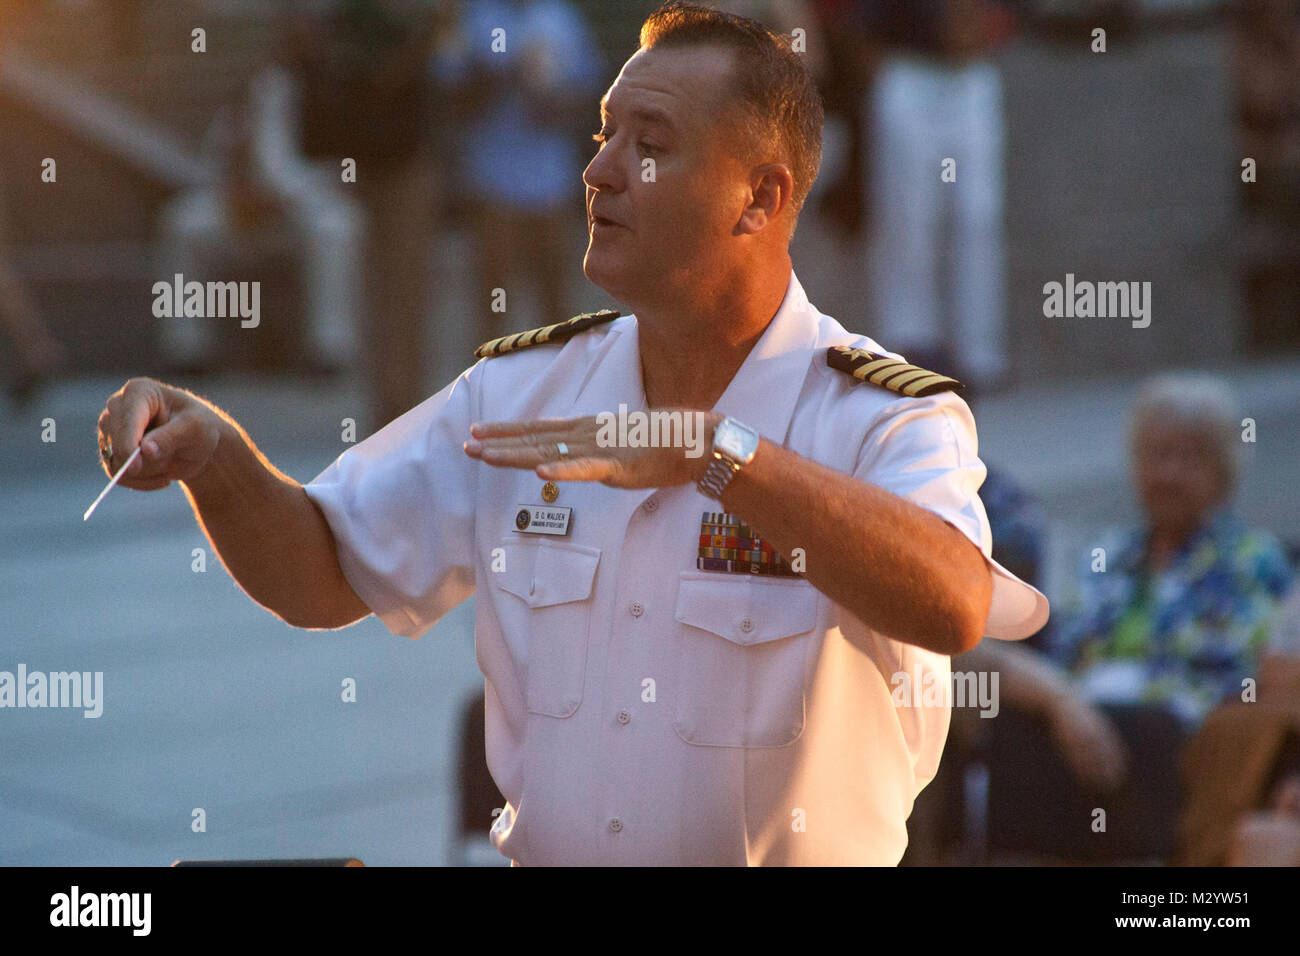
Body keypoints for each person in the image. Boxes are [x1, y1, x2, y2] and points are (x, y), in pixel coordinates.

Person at [93, 2, 1047, 866]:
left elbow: (955, 600)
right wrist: (216, 457)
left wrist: (716, 452)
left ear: (758, 199)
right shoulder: (518, 391)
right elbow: (324, 571)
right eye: (603, 135)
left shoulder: (880, 414)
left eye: (650, 144)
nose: (598, 171)